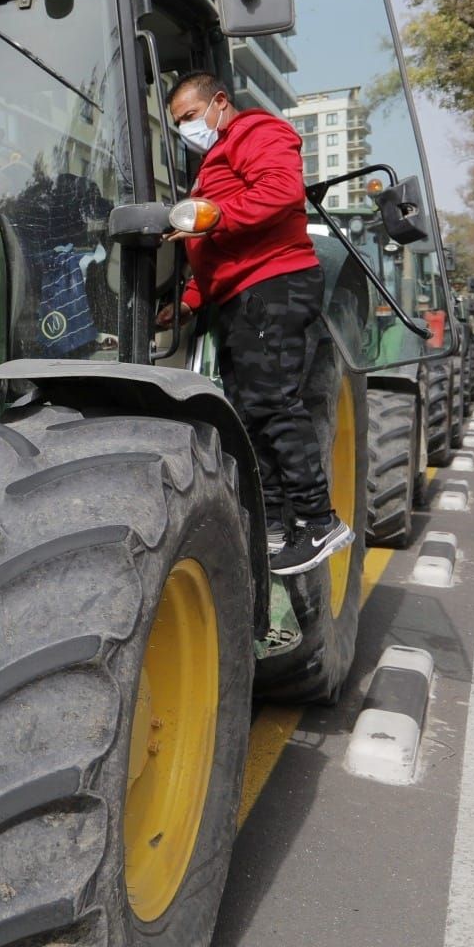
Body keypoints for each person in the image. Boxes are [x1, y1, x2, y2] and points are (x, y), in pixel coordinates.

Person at [158, 73, 352, 575]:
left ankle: (318, 519)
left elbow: (281, 192)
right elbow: (213, 252)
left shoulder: (256, 133)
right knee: (248, 410)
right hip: (236, 293)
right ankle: (278, 524)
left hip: (273, 284)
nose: (185, 128)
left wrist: (211, 213)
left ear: (219, 103)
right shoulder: (212, 165)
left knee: (273, 401)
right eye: (178, 122)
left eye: (189, 116)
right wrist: (187, 303)